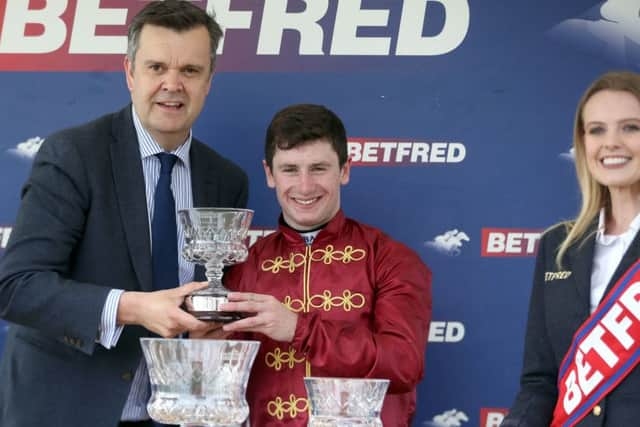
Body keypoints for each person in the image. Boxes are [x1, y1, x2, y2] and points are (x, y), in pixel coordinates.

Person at [0, 1, 248, 426]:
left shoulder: (226, 179)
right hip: (70, 411)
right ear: (130, 73)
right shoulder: (74, 155)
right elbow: (16, 286)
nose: (173, 84)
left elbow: (215, 296)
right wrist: (132, 308)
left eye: (190, 70)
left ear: (209, 81)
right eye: (156, 68)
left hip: (178, 413)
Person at [201, 104, 432, 426]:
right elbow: (221, 384)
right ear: (270, 174)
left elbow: (403, 365)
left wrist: (300, 329)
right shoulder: (244, 265)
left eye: (319, 168)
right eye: (290, 170)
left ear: (345, 170)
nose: (305, 186)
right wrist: (205, 347)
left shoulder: (391, 259)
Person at [502, 70, 640, 427]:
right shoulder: (558, 246)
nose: (611, 143)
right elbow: (540, 382)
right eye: (597, 130)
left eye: (631, 127)